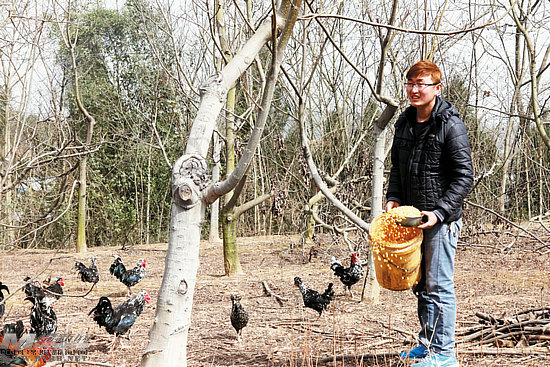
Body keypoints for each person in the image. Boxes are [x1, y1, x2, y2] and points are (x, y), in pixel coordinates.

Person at [386, 60, 474, 367]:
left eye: (421, 84)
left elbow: (464, 176)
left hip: (440, 221)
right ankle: (427, 345)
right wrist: (393, 197)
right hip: (411, 220)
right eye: (410, 84)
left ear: (437, 88)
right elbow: (397, 166)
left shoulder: (450, 124)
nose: (414, 90)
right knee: (420, 284)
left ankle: (445, 354)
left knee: (439, 285)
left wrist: (439, 212)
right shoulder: (405, 122)